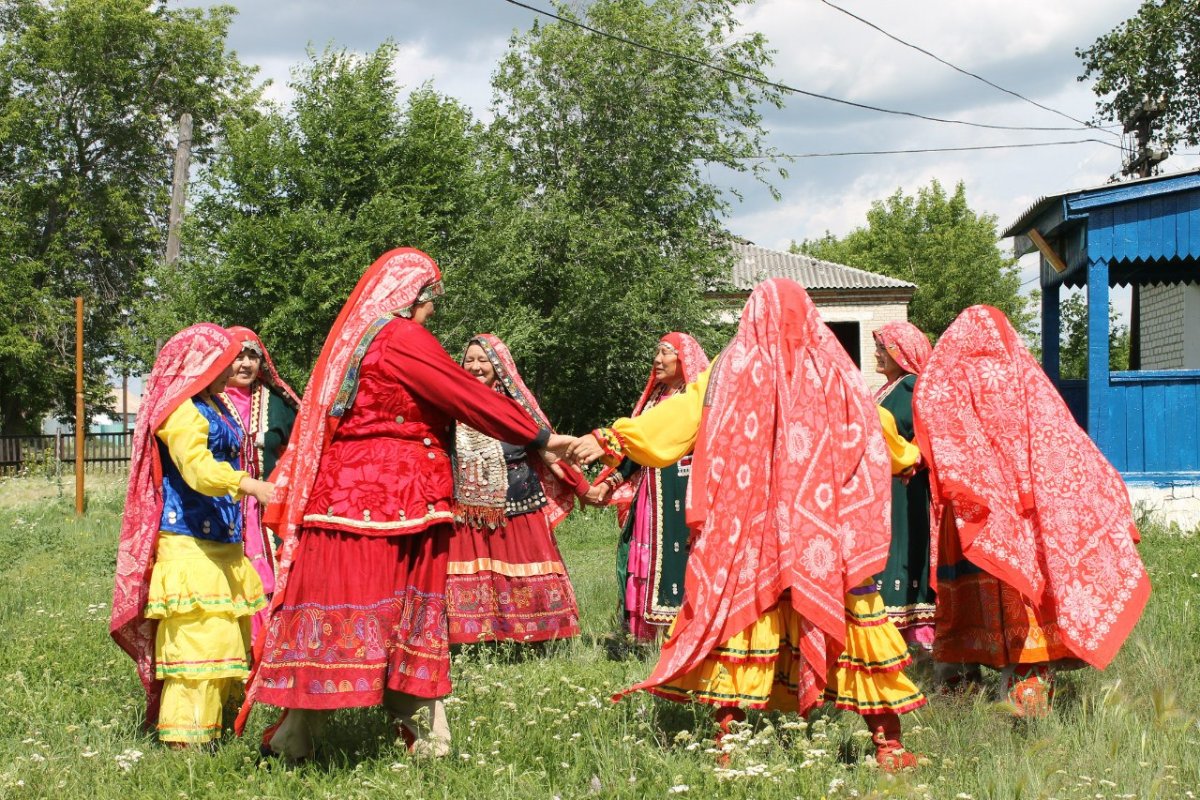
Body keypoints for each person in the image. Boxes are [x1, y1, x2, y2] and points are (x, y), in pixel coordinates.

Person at [567, 279, 924, 770]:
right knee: (853, 624)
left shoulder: (730, 369)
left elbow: (680, 416)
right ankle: (889, 745)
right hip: (821, 535)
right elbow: (876, 429)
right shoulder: (837, 371)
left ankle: (726, 747)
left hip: (748, 531)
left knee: (743, 620)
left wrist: (612, 439)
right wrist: (909, 457)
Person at [237, 248, 573, 761]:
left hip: (340, 498)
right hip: (397, 498)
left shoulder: (360, 339)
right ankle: (425, 729)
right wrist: (537, 435)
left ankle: (295, 732)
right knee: (408, 612)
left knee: (330, 606)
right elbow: (464, 393)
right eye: (431, 301)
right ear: (416, 296)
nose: (432, 313)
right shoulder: (400, 337)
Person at [912, 305, 1151, 717]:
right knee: (1023, 599)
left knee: (968, 600)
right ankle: (1026, 690)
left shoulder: (948, 378)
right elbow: (1062, 441)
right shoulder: (1025, 377)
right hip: (1024, 516)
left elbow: (939, 430)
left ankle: (959, 685)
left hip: (974, 515)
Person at [110, 323, 276, 747]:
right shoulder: (182, 410)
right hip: (187, 541)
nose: (231, 368)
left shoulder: (214, 404)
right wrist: (247, 484)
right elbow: (197, 468)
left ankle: (217, 729)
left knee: (227, 636)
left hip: (222, 541)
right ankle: (186, 743)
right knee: (197, 645)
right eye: (222, 361)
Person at [447, 334, 589, 645]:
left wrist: (584, 488)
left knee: (520, 568)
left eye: (483, 360)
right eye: (469, 360)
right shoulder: (450, 407)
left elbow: (550, 451)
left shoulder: (515, 408)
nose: (475, 367)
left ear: (498, 367)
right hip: (466, 508)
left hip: (518, 499)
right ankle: (476, 639)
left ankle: (537, 635)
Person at [588, 333, 708, 643]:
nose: (658, 360)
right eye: (656, 353)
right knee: (640, 555)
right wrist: (611, 481)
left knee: (679, 558)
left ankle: (682, 631)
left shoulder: (696, 402)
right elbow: (635, 450)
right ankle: (643, 635)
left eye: (666, 353)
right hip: (650, 499)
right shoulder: (656, 399)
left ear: (685, 360)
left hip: (680, 495)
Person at [219, 327, 300, 640]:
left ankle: (270, 653)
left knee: (277, 580)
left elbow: (302, 449)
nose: (245, 363)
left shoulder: (277, 403)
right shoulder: (208, 400)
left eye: (252, 355)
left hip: (268, 512)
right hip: (221, 509)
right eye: (238, 355)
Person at [871, 322, 936, 653]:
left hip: (907, 487)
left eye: (884, 349)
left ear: (902, 353)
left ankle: (913, 630)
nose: (877, 355)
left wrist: (915, 461)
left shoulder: (913, 387)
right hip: (885, 486)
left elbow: (930, 437)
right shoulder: (888, 389)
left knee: (903, 548)